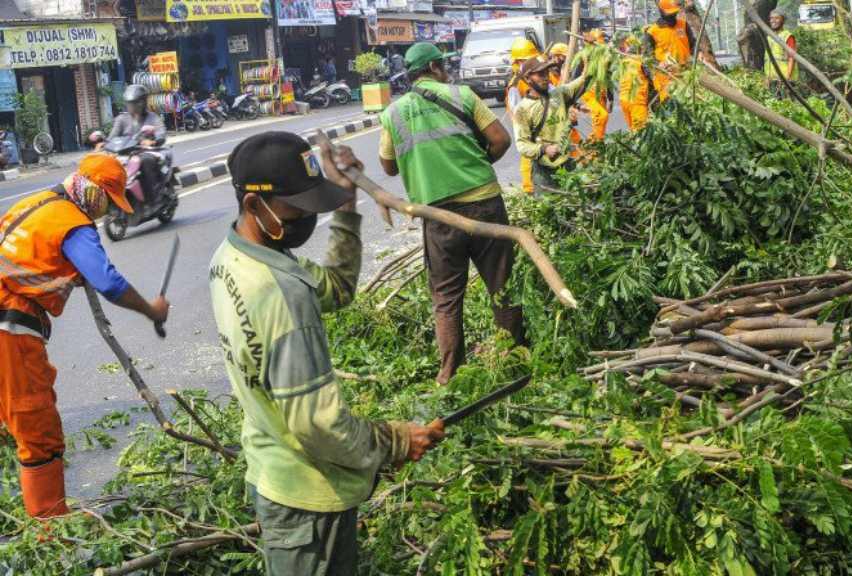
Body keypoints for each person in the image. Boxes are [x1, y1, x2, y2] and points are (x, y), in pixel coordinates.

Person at [210, 131, 444, 574]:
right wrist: (396, 440)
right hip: (307, 499)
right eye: (297, 208)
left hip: (274, 466)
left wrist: (345, 203)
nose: (306, 217)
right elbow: (319, 425)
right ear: (254, 204)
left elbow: (336, 288)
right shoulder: (284, 297)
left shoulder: (233, 257)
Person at [0, 154, 170, 519]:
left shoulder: (33, 204)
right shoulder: (73, 223)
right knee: (39, 432)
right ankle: (49, 530)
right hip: (9, 328)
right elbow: (109, 283)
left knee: (9, 418)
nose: (108, 210)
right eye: (110, 201)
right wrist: (151, 311)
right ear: (95, 193)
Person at [379, 42, 524, 385]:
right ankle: (515, 359)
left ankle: (450, 372)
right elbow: (501, 140)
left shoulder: (394, 113)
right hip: (485, 205)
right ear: (433, 68)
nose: (446, 71)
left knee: (445, 298)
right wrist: (475, 165)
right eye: (442, 65)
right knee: (502, 286)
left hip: (439, 216)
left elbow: (387, 167)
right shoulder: (463, 96)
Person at [513, 56, 591, 192]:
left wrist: (590, 57)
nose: (545, 77)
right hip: (544, 172)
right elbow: (522, 144)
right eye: (540, 74)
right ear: (527, 79)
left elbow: (585, 79)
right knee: (548, 204)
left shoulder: (559, 94)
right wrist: (544, 149)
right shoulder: (523, 109)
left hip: (567, 165)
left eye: (546, 73)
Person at [108, 84, 168, 202]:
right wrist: (105, 144)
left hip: (146, 152)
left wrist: (153, 141)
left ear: (143, 102)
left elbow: (161, 132)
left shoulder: (152, 117)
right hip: (125, 154)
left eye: (135, 103)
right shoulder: (121, 119)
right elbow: (112, 136)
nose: (132, 106)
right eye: (130, 103)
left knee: (145, 161)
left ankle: (153, 196)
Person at [508, 37, 541, 194]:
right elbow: (516, 109)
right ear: (520, 61)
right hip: (526, 125)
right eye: (529, 59)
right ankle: (529, 189)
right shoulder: (515, 84)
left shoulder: (531, 76)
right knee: (528, 155)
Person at [645, 0, 695, 102]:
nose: (673, 15)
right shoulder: (653, 31)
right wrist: (658, 64)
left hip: (686, 72)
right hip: (666, 76)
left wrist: (699, 54)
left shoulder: (683, 25)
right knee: (671, 104)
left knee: (690, 102)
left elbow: (693, 44)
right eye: (670, 13)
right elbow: (648, 57)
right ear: (662, 12)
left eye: (674, 13)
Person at [546, 43, 584, 151]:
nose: (565, 60)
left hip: (564, 116)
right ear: (555, 56)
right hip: (555, 119)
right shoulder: (547, 75)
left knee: (575, 143)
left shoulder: (561, 72)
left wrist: (577, 106)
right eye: (563, 57)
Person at [579, 29, 611, 141]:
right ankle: (595, 145)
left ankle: (597, 143)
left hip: (601, 94)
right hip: (589, 94)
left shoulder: (605, 59)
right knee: (602, 116)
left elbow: (608, 78)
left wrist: (611, 98)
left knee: (600, 123)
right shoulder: (584, 56)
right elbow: (576, 76)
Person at [619, 35, 650, 132]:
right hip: (637, 101)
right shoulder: (641, 61)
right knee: (640, 132)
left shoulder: (623, 62)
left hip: (624, 100)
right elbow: (650, 76)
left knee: (632, 130)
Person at [764, 9, 798, 97]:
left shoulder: (788, 36)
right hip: (772, 80)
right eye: (771, 18)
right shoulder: (769, 37)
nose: (773, 21)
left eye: (777, 18)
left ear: (783, 20)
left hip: (785, 80)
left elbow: (792, 58)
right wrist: (767, 78)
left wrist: (786, 78)